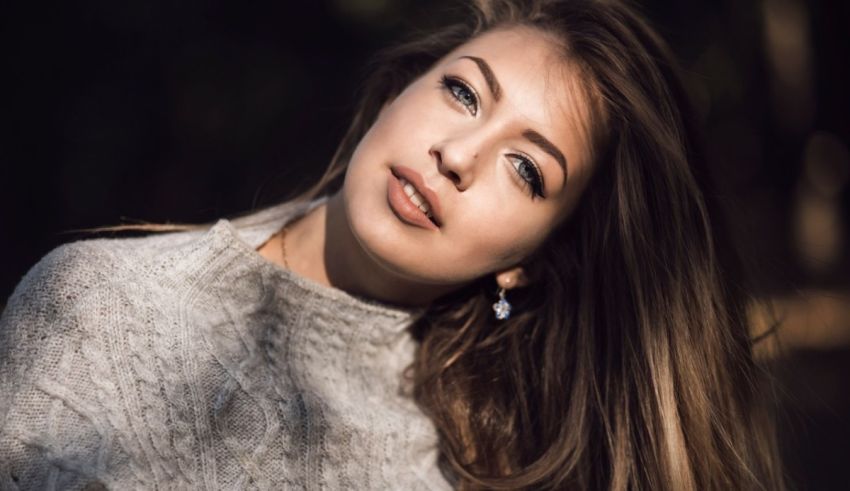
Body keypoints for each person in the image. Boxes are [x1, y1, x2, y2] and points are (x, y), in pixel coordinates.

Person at [0, 0, 784, 489]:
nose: (458, 154)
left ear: (536, 256)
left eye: (525, 168)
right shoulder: (94, 307)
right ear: (395, 91)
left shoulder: (506, 461)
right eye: (463, 91)